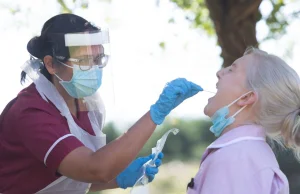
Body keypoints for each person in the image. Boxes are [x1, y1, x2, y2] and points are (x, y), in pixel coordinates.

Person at [0, 13, 203, 194]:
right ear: (51, 64)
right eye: (84, 60)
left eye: (98, 59)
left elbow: (72, 179)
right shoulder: (31, 112)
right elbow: (94, 168)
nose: (95, 68)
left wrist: (118, 177)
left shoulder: (88, 106)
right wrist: (156, 113)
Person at [187, 47, 296, 194]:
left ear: (246, 97)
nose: (219, 73)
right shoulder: (245, 154)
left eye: (231, 70)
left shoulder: (236, 159)